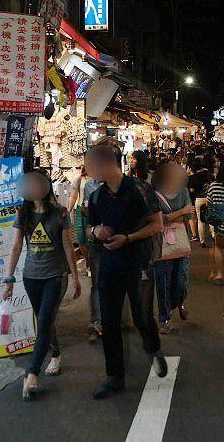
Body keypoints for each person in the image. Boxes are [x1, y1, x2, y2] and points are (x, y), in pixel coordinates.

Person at [84, 143, 167, 399]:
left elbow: (157, 224)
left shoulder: (139, 189)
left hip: (138, 263)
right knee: (110, 321)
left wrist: (128, 238)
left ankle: (153, 348)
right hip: (108, 264)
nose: (90, 170)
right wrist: (96, 232)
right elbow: (89, 228)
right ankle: (115, 377)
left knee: (142, 316)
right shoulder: (96, 196)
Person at [2, 171, 81, 401]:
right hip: (31, 277)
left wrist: (75, 277)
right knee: (44, 320)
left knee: (45, 321)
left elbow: (67, 246)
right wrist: (9, 279)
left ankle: (32, 373)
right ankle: (55, 352)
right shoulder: (23, 213)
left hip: (55, 276)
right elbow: (16, 246)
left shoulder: (60, 213)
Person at [152, 162, 193, 334]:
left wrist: (172, 217)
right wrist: (180, 212)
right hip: (161, 243)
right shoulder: (154, 194)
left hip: (181, 241)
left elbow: (189, 215)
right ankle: (165, 318)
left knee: (181, 280)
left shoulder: (183, 191)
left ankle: (179, 302)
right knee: (163, 282)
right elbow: (159, 219)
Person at [68, 166, 104, 340]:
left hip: (113, 238)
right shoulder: (83, 181)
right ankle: (97, 321)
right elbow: (75, 196)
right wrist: (69, 210)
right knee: (82, 240)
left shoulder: (118, 184)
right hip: (86, 219)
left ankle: (109, 319)